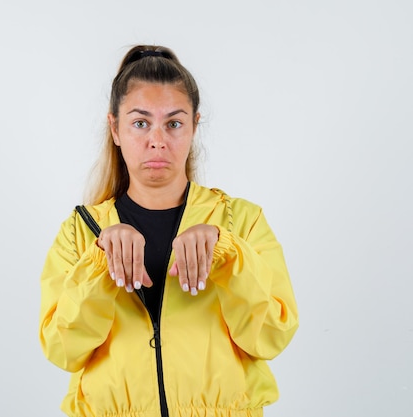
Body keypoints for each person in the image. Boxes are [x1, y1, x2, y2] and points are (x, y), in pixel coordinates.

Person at [38, 44, 299, 417]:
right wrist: (100, 262)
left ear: (194, 125)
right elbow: (63, 348)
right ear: (115, 128)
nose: (157, 140)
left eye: (173, 123)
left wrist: (228, 253)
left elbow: (272, 336)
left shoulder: (241, 221)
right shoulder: (81, 231)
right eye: (140, 122)